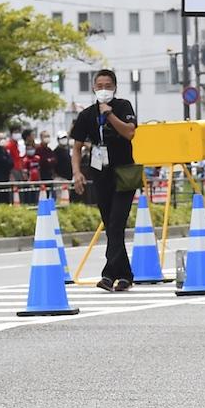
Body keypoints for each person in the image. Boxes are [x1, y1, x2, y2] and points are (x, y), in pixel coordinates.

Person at [69, 69, 139, 292]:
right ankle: (125, 275)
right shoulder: (86, 114)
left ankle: (108, 274)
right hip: (100, 173)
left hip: (125, 172)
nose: (103, 89)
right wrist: (77, 172)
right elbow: (77, 147)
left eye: (108, 85)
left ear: (115, 87)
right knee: (110, 224)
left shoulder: (123, 106)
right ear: (93, 88)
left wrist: (109, 115)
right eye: (99, 86)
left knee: (117, 221)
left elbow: (129, 133)